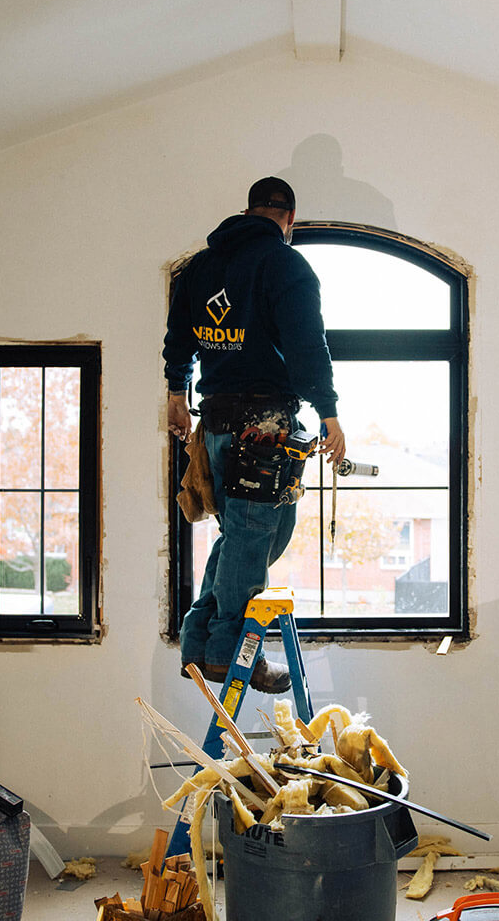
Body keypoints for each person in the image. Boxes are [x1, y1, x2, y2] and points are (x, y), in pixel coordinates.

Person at [163, 177, 345, 693]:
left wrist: (177, 394)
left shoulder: (201, 267)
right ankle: (228, 651)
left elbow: (179, 340)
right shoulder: (284, 264)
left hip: (217, 425)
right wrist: (329, 411)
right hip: (263, 428)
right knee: (257, 536)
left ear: (250, 211)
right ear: (289, 219)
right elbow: (308, 344)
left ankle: (199, 639)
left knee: (244, 535)